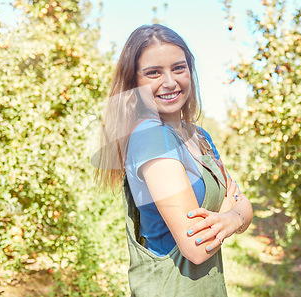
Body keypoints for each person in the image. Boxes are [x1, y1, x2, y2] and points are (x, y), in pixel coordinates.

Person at [93, 24, 252, 297]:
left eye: (178, 68)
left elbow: (245, 205)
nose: (169, 82)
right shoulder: (151, 137)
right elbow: (197, 247)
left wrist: (232, 217)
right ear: (135, 82)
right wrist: (232, 214)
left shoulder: (199, 136)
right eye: (154, 72)